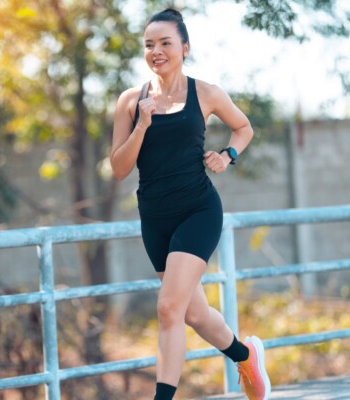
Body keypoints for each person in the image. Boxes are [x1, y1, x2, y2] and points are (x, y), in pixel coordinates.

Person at [110, 8, 271, 400]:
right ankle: (244, 355)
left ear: (185, 47)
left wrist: (228, 154)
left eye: (165, 43)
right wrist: (142, 127)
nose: (157, 51)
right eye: (149, 45)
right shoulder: (132, 102)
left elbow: (244, 126)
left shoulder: (207, 93)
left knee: (168, 308)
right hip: (155, 218)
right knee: (194, 313)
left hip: (198, 210)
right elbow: (118, 168)